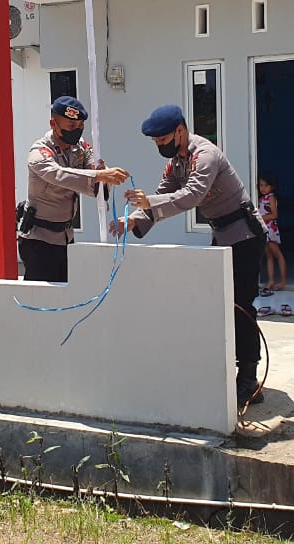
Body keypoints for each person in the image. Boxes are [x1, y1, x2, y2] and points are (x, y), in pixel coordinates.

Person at [110, 105, 267, 409]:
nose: (160, 146)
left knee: (240, 306)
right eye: (155, 142)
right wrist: (134, 220)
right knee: (222, 305)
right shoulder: (176, 163)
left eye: (163, 139)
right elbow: (164, 193)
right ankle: (232, 371)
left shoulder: (203, 155)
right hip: (222, 234)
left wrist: (150, 202)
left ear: (180, 130)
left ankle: (249, 380)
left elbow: (191, 196)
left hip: (245, 235)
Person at [19, 96, 129, 283]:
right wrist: (98, 176)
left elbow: (94, 170)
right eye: (71, 126)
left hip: (65, 238)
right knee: (42, 301)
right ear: (53, 123)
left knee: (65, 296)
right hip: (39, 240)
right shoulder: (40, 152)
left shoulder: (79, 148)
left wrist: (101, 173)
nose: (77, 131)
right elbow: (60, 175)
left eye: (80, 126)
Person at [258, 174, 288, 309]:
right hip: (264, 229)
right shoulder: (261, 198)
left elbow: (274, 214)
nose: (263, 188)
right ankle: (271, 280)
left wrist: (261, 218)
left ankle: (282, 280)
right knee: (268, 256)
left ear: (272, 187)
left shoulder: (271, 198)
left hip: (271, 229)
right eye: (261, 185)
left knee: (277, 255)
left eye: (266, 185)